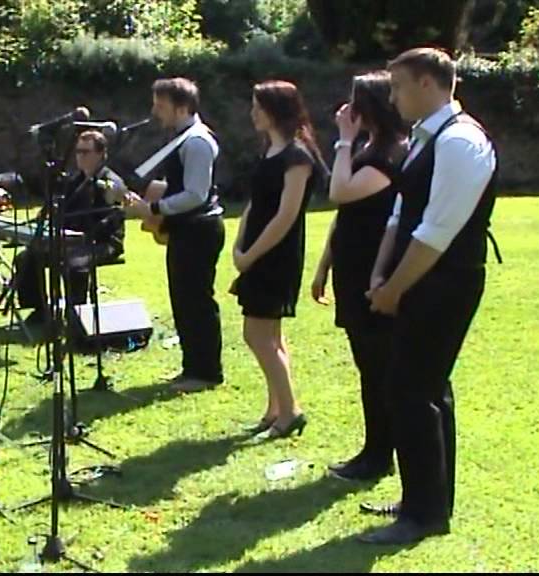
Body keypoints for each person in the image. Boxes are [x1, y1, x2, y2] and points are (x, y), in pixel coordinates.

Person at [358, 47, 500, 546]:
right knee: (423, 389)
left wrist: (395, 289)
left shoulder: (462, 141)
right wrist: (381, 271)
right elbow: (402, 212)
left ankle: (424, 514)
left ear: (425, 83)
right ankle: (424, 498)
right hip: (418, 276)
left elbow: (438, 231)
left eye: (396, 87)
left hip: (446, 280)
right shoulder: (426, 139)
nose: (391, 97)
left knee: (412, 391)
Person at [311, 71, 408, 478]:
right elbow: (344, 214)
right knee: (367, 365)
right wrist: (323, 265)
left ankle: (380, 454)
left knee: (377, 366)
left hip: (373, 271)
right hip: (350, 268)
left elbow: (340, 191)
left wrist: (344, 140)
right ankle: (375, 450)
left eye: (354, 103)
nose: (346, 111)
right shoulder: (371, 147)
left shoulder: (389, 153)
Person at [232, 80, 327, 440]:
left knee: (257, 335)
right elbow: (255, 205)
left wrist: (252, 255)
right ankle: (275, 409)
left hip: (277, 255)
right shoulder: (270, 150)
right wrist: (239, 245)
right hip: (256, 252)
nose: (252, 113)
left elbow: (285, 217)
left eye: (258, 106)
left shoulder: (298, 157)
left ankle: (290, 412)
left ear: (275, 110)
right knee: (269, 334)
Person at [124, 78, 225, 393]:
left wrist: (153, 207)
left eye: (161, 105)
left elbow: (196, 194)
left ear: (182, 107)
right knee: (184, 300)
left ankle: (206, 373)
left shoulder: (196, 142)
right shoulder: (182, 139)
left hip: (199, 229)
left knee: (196, 302)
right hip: (186, 229)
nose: (155, 111)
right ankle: (192, 367)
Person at [13, 129, 124, 323]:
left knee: (74, 263)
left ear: (100, 154)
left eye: (85, 152)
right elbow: (61, 212)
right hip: (72, 240)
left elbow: (110, 222)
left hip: (102, 242)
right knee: (27, 257)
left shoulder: (110, 182)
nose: (79, 157)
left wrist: (79, 235)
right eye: (78, 151)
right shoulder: (74, 180)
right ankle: (40, 310)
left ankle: (77, 315)